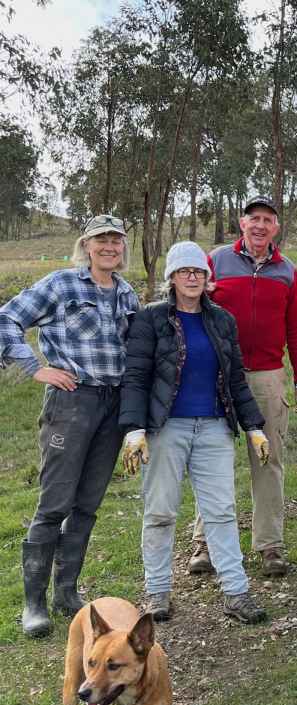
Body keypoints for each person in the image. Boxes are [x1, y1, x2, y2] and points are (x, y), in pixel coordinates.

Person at [0, 215, 140, 638]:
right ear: (87, 245)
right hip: (71, 402)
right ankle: (34, 603)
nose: (109, 246)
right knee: (54, 503)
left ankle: (66, 591)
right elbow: (7, 318)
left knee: (87, 504)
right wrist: (34, 367)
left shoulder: (127, 293)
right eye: (101, 240)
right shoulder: (61, 285)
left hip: (111, 405)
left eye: (116, 240)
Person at [119, 241, 269, 624]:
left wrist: (253, 426)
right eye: (184, 271)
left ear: (207, 278)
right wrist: (135, 428)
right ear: (171, 277)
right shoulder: (149, 319)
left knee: (221, 511)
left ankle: (236, 592)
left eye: (199, 271)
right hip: (165, 429)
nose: (192, 277)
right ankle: (157, 592)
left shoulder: (222, 321)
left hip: (214, 429)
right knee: (160, 511)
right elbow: (136, 378)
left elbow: (235, 379)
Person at [189, 195, 297, 578]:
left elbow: (296, 327)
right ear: (242, 224)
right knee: (213, 461)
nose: (260, 225)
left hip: (267, 376)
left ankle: (270, 545)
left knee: (267, 460)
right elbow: (193, 308)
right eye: (253, 218)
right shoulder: (215, 262)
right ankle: (204, 542)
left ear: (276, 228)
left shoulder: (287, 271)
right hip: (219, 375)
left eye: (268, 220)